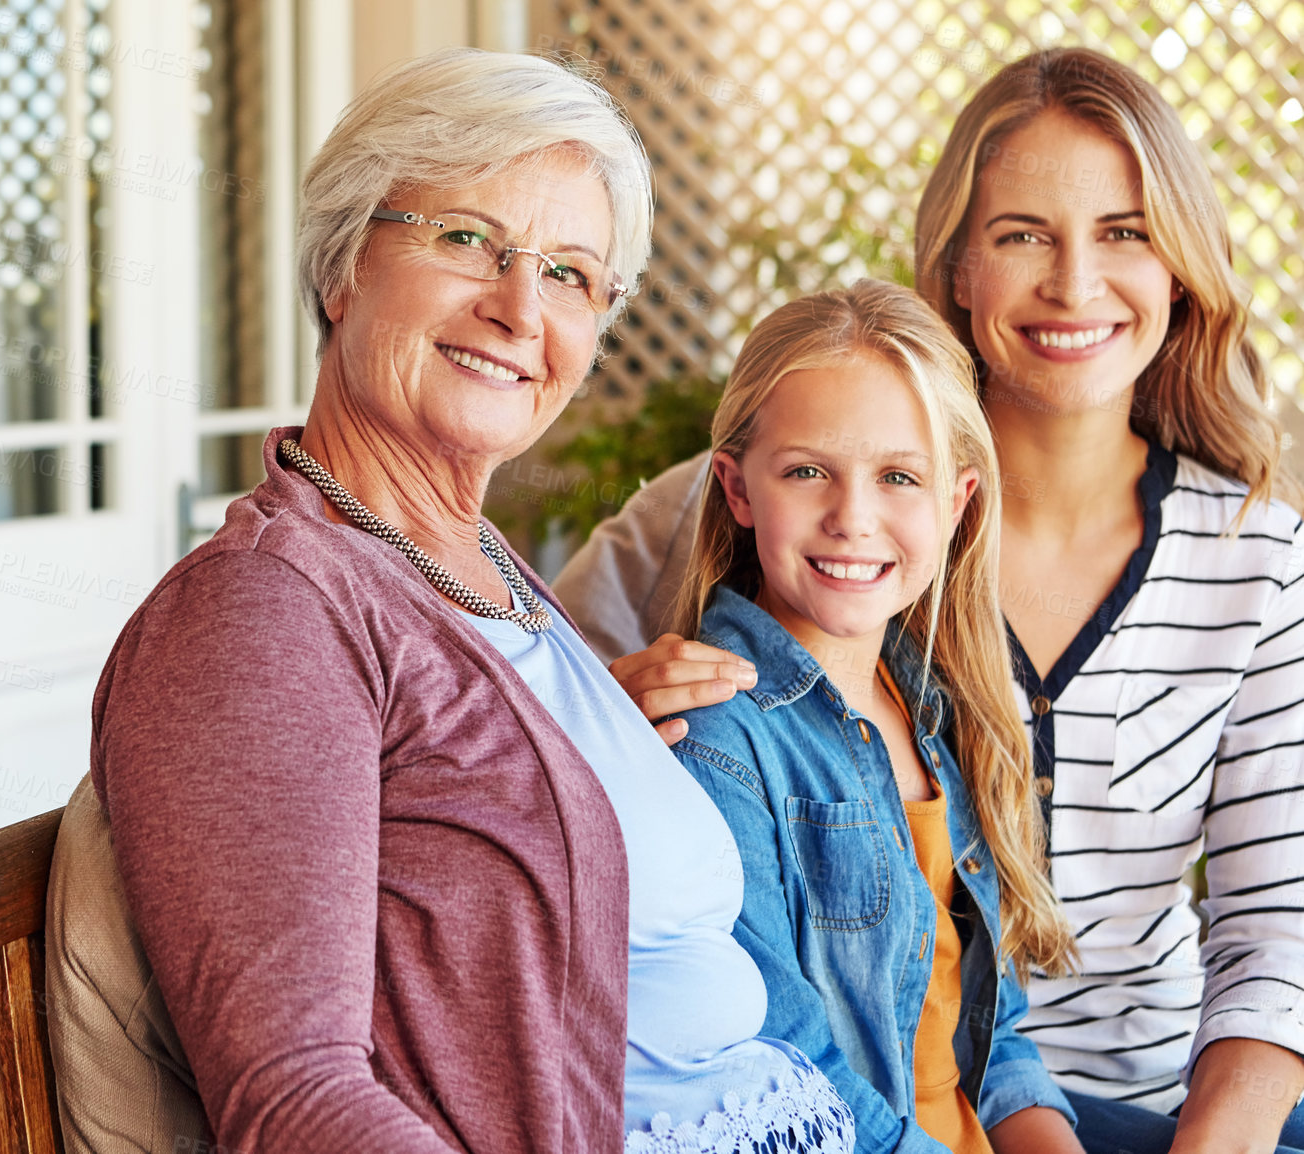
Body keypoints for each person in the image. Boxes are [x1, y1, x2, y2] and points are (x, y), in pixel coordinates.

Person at [46, 48, 851, 1154]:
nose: (521, 308)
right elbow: (294, 1101)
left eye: (571, 273)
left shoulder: (473, 564)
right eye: (467, 238)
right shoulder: (260, 613)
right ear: (341, 268)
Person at [557, 46, 1304, 1154]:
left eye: (1124, 232)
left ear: (1181, 264)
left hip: (1143, 1100)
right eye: (1020, 236)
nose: (1073, 285)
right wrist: (601, 728)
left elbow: (1271, 936)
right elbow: (522, 735)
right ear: (955, 265)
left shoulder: (1254, 556)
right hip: (873, 1102)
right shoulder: (757, 513)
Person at [663, 279, 1082, 1154]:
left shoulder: (933, 706)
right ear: (738, 490)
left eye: (899, 477)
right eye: (808, 471)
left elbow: (994, 1037)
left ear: (958, 501)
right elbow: (785, 1067)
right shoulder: (715, 741)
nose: (853, 519)